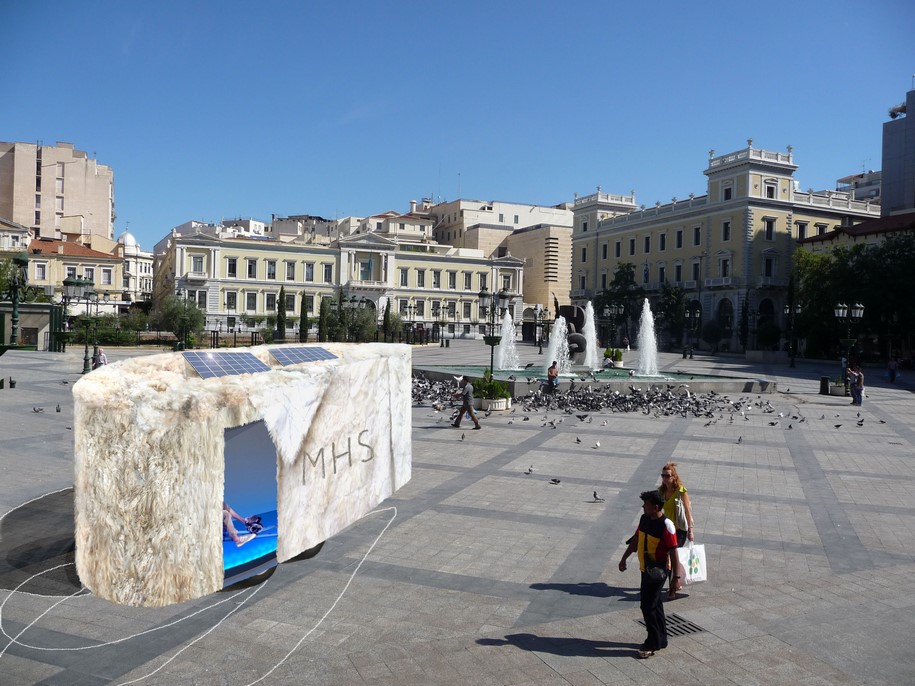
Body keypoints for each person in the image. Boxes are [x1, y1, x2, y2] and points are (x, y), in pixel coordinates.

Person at [618, 490, 680, 659]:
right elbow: (637, 539)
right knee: (655, 604)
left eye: (646, 504)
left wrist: (676, 578)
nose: (643, 506)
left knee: (647, 606)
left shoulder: (666, 525)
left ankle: (652, 642)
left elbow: (674, 553)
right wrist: (624, 558)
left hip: (659, 572)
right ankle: (661, 639)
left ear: (655, 507)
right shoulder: (644, 519)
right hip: (645, 570)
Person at [659, 462, 694, 599]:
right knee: (667, 557)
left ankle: (672, 589)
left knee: (672, 558)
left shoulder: (681, 490)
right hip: (667, 529)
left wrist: (691, 530)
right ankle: (675, 583)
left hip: (679, 530)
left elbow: (687, 510)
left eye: (667, 476)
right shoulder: (661, 491)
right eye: (663, 475)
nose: (664, 478)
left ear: (674, 476)